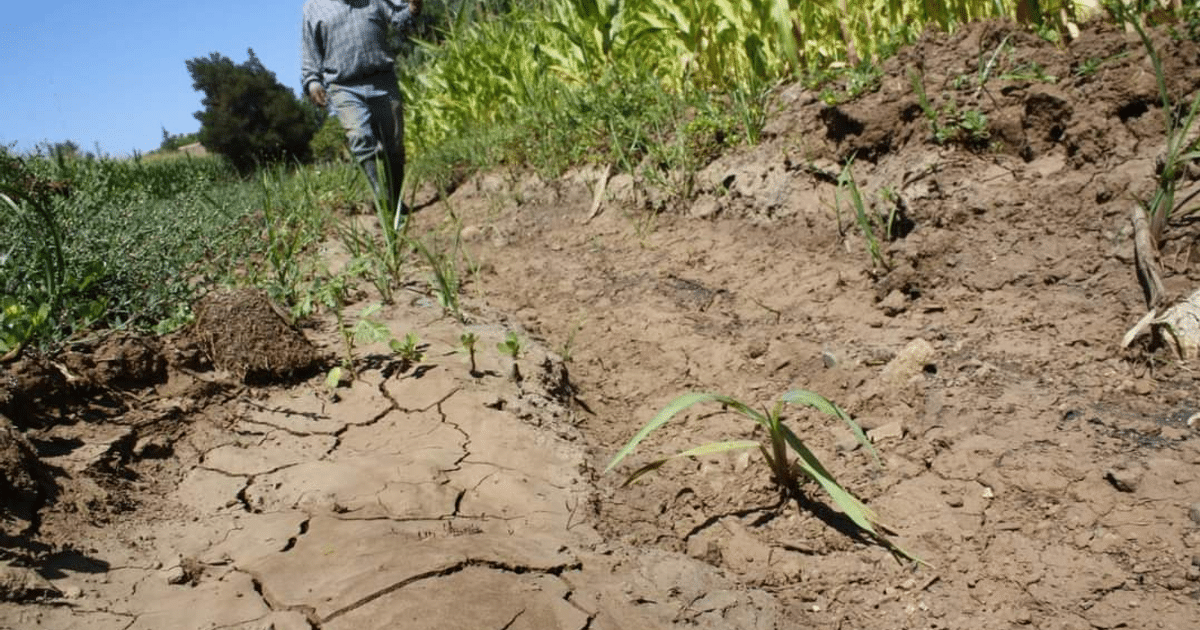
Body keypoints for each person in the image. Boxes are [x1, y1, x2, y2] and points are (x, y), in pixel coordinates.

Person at [301, 0, 422, 227]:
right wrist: (312, 82)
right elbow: (310, 50)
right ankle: (381, 198)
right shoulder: (314, 6)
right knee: (359, 136)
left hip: (382, 79)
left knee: (394, 144)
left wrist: (414, 7)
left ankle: (396, 201)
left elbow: (401, 20)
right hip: (344, 86)